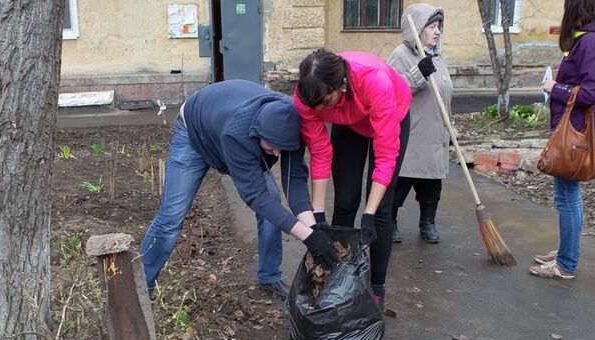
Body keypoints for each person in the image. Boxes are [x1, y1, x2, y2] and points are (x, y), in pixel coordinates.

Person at [140, 80, 340, 298]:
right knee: (171, 218)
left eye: (282, 149)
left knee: (273, 200)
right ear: (257, 134)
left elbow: (295, 182)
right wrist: (307, 237)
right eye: (270, 147)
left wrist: (313, 229)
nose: (276, 153)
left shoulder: (290, 125)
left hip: (225, 121)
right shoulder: (237, 134)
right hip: (194, 133)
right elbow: (255, 197)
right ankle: (140, 287)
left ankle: (269, 276)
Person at [293, 49, 414, 310]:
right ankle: (339, 278)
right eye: (316, 106)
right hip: (348, 122)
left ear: (342, 84)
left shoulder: (374, 80)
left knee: (381, 209)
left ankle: (377, 288)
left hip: (389, 111)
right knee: (346, 200)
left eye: (325, 102)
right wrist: (318, 213)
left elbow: (385, 157)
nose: (318, 110)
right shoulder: (308, 96)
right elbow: (321, 152)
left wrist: (368, 214)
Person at [529, 0, 595, 280]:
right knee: (568, 196)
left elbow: (591, 93)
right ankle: (566, 253)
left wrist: (557, 88)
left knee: (567, 198)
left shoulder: (592, 41)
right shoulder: (588, 38)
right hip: (573, 129)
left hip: (575, 134)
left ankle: (566, 263)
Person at [388, 4, 450, 244]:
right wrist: (417, 74)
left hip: (436, 133)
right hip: (412, 135)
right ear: (417, 29)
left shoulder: (437, 56)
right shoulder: (400, 55)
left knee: (432, 188)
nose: (437, 32)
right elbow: (391, 92)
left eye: (438, 27)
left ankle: (428, 223)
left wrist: (449, 127)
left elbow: (444, 93)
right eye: (431, 26)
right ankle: (390, 221)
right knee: (400, 185)